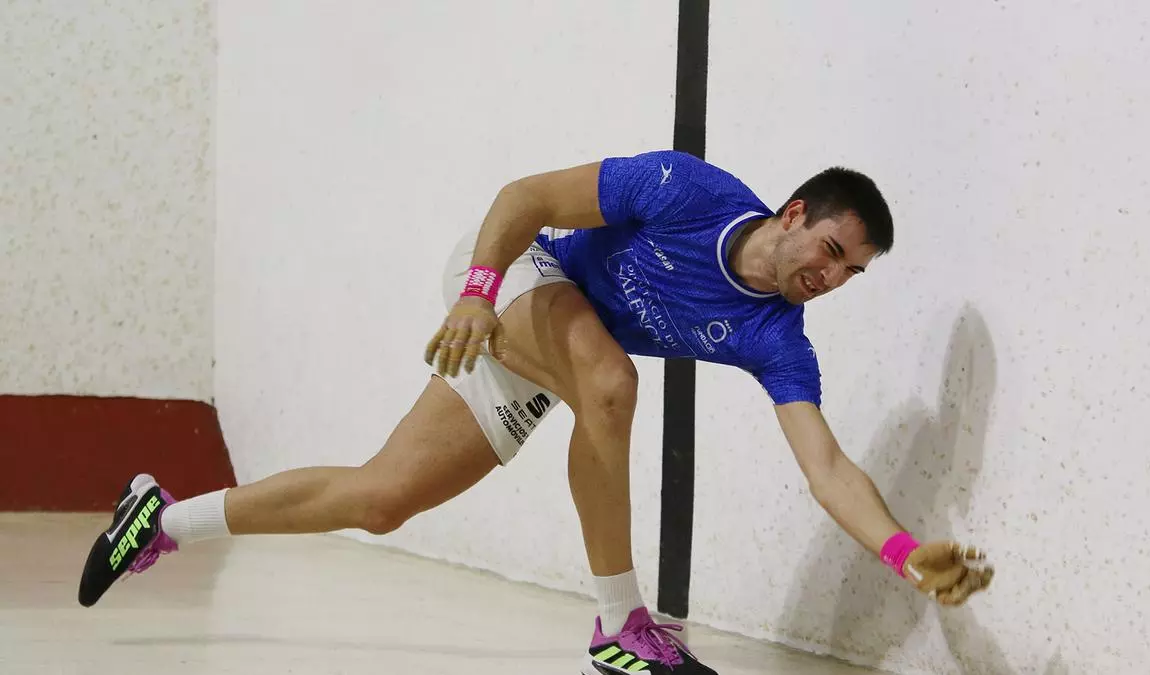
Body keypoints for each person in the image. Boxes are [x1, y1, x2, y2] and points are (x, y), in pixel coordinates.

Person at [78, 149, 995, 675]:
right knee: (611, 383)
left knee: (380, 499)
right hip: (516, 274)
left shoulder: (778, 337)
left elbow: (826, 467)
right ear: (794, 214)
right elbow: (524, 199)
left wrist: (903, 553)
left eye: (850, 273)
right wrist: (477, 291)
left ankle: (159, 519)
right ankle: (620, 626)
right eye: (830, 249)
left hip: (558, 349)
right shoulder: (686, 190)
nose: (830, 276)